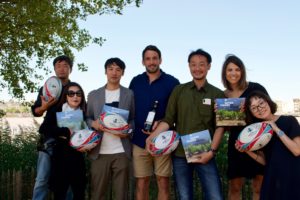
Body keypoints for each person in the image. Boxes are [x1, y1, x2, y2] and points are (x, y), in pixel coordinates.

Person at [146, 49, 225, 200]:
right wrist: (152, 137)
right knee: (184, 197)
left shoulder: (217, 94)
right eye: (193, 64)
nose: (197, 68)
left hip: (206, 152)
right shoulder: (179, 90)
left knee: (215, 196)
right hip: (181, 154)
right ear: (188, 66)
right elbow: (168, 120)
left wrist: (212, 152)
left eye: (202, 64)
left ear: (209, 66)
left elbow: (220, 127)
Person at [129, 45, 179, 200]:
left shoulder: (172, 82)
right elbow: (130, 109)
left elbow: (176, 112)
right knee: (142, 182)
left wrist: (162, 122)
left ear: (160, 60)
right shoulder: (136, 81)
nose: (151, 62)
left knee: (163, 182)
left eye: (154, 58)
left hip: (162, 140)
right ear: (143, 61)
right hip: (139, 140)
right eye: (148, 59)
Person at [86, 57, 135, 200]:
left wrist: (128, 131)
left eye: (118, 70)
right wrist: (93, 124)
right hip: (99, 152)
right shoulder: (94, 95)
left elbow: (133, 118)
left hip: (122, 152)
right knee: (98, 194)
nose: (114, 73)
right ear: (105, 71)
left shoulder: (129, 94)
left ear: (123, 73)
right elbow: (87, 118)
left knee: (122, 195)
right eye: (111, 69)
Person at [221, 55, 268, 200]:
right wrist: (223, 117)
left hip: (259, 141)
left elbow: (267, 112)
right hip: (236, 144)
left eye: (237, 69)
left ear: (242, 71)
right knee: (234, 187)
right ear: (224, 73)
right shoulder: (223, 95)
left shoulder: (256, 88)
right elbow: (227, 128)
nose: (233, 73)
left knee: (259, 187)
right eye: (229, 70)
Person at [236, 90, 300, 200]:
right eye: (254, 108)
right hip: (273, 179)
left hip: (292, 176)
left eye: (261, 103)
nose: (260, 108)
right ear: (251, 113)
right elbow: (265, 161)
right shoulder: (258, 131)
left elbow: (297, 150)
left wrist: (275, 128)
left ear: (267, 102)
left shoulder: (289, 120)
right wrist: (246, 150)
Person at [31, 55, 73, 200]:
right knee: (41, 180)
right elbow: (36, 111)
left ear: (70, 69)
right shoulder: (46, 87)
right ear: (54, 69)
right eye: (58, 65)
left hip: (68, 139)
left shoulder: (74, 89)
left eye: (65, 65)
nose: (62, 68)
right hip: (48, 138)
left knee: (66, 180)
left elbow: (81, 113)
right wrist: (44, 107)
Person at [39, 82, 87, 199]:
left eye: (78, 93)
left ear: (82, 96)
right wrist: (65, 131)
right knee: (59, 193)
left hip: (78, 159)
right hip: (60, 159)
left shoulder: (85, 113)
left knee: (79, 194)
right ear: (65, 96)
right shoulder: (56, 110)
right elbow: (43, 128)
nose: (75, 96)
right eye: (71, 94)